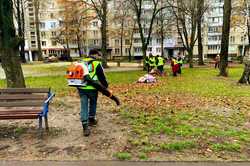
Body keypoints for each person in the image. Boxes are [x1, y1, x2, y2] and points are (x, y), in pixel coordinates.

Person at [78, 49, 109, 137]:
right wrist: (105, 88)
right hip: (93, 88)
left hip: (81, 88)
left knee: (83, 105)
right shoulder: (96, 63)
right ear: (94, 54)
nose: (98, 57)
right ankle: (91, 119)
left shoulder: (81, 62)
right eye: (98, 55)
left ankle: (85, 126)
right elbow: (102, 78)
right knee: (93, 102)